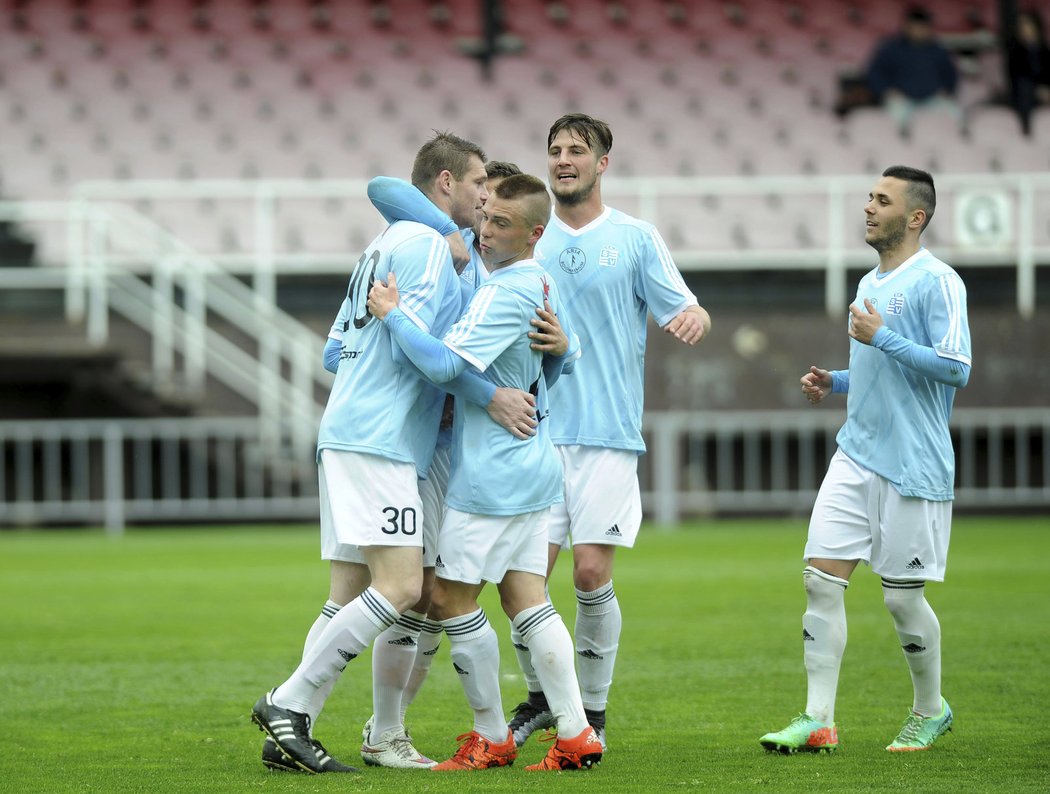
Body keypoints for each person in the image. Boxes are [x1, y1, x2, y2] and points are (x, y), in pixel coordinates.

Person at [250, 131, 498, 774]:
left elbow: (336, 350)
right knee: (404, 586)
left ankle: (292, 733)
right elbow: (425, 355)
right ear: (447, 183)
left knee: (349, 593)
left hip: (352, 428)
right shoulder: (427, 247)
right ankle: (289, 703)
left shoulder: (386, 241)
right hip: (386, 438)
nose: (482, 199)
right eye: (476, 185)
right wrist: (486, 391)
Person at [367, 173, 602, 771]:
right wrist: (563, 352)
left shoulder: (505, 290)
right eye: (485, 216)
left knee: (446, 596)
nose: (487, 230)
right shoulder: (539, 280)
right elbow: (554, 364)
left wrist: (393, 315)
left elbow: (445, 366)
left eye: (501, 223)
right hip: (533, 464)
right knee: (527, 598)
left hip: (493, 474)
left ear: (534, 234)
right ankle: (576, 734)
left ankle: (492, 735)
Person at [504, 113, 710, 752]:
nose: (564, 159)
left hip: (606, 433)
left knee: (590, 575)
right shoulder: (527, 240)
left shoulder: (635, 237)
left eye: (576, 150)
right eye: (555, 150)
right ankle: (545, 698)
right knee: (523, 581)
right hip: (533, 433)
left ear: (602, 163)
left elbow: (685, 304)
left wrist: (694, 316)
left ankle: (591, 711)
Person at [760, 165, 971, 754]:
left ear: (916, 216)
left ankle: (931, 710)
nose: (869, 207)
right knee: (820, 582)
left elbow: (956, 367)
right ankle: (817, 718)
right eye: (869, 197)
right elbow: (886, 371)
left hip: (913, 463)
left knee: (902, 597)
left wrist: (882, 339)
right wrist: (838, 381)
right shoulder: (867, 282)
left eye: (883, 200)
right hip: (855, 455)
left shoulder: (939, 282)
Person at [866, 7, 961, 134]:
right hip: (902, 99)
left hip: (932, 98)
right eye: (916, 26)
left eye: (923, 27)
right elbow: (874, 73)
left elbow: (951, 74)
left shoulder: (938, 50)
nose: (920, 31)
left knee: (955, 114)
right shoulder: (891, 49)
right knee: (895, 117)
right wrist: (886, 90)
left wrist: (947, 89)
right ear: (907, 26)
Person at [1005, 9, 1050, 136]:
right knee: (1025, 88)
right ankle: (1026, 132)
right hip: (1024, 95)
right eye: (1021, 25)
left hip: (1045, 92)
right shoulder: (1015, 52)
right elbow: (1017, 78)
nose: (1024, 29)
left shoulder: (1045, 51)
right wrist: (1038, 90)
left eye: (1027, 24)